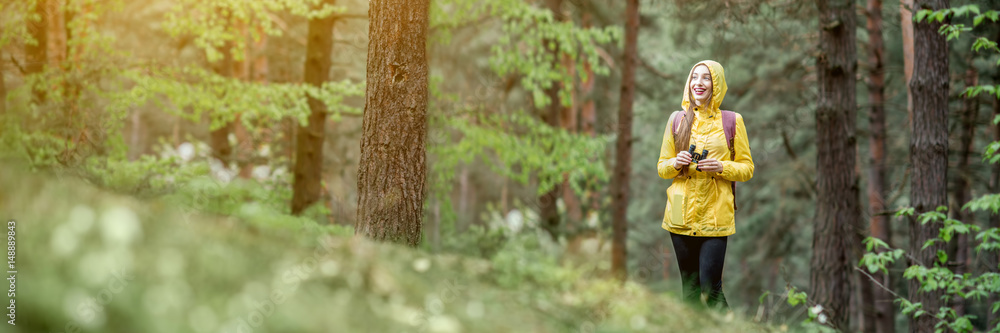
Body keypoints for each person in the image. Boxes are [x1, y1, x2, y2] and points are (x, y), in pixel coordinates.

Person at [657, 60, 754, 309]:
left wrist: (723, 167)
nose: (698, 83)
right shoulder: (676, 119)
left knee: (711, 290)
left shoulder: (733, 121)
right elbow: (662, 168)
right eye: (694, 77)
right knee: (689, 291)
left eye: (706, 78)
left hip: (715, 216)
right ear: (688, 83)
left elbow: (747, 168)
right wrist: (676, 163)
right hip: (679, 214)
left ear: (717, 84)